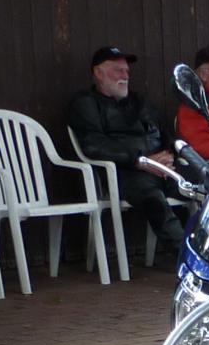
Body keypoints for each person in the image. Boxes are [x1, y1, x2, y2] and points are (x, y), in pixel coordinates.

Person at [67, 46, 185, 258]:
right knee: (153, 198)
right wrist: (139, 161)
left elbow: (165, 131)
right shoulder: (85, 103)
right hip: (125, 173)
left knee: (205, 184)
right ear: (98, 73)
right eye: (118, 70)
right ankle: (188, 258)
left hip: (163, 168)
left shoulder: (139, 101)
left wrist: (169, 153)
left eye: (127, 71)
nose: (125, 75)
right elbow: (94, 145)